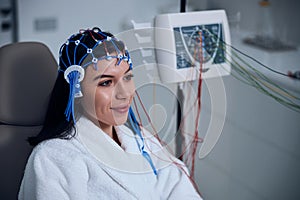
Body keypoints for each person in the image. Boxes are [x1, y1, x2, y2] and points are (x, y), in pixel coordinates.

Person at [18, 27, 202, 200]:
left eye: (128, 77)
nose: (124, 93)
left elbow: (180, 189)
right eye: (106, 82)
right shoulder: (53, 158)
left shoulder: (140, 140)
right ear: (76, 91)